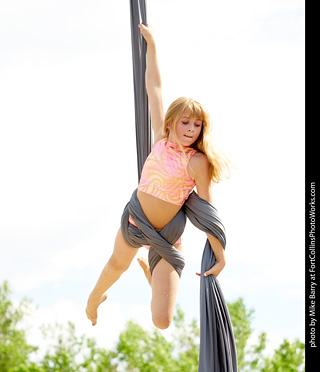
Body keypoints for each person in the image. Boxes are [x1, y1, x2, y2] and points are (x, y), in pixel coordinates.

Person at [86, 23, 230, 330]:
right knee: (115, 264)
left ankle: (153, 276)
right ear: (172, 123)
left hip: (168, 236)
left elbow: (207, 211)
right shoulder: (160, 139)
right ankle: (92, 301)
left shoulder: (197, 161)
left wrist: (220, 255)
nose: (191, 130)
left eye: (197, 126)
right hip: (135, 220)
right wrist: (151, 45)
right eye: (186, 123)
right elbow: (154, 87)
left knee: (162, 321)